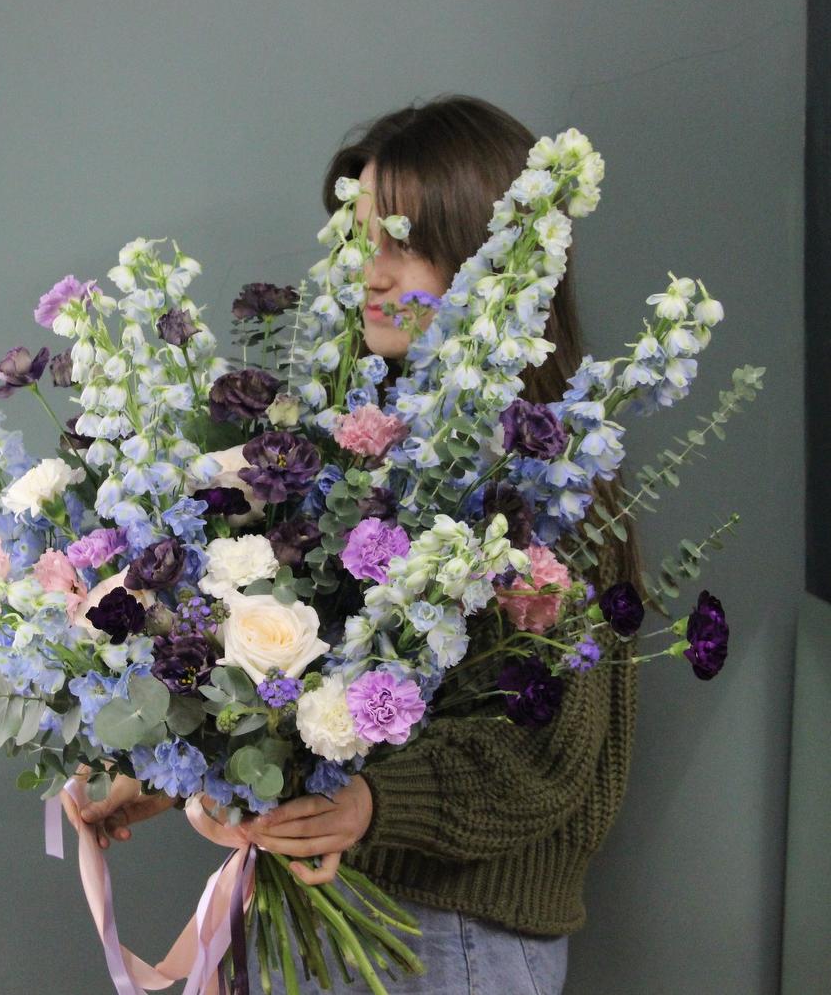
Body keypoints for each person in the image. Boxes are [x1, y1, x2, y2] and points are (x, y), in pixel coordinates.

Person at [69, 95, 641, 995]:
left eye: (405, 244)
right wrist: (173, 764)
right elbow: (305, 688)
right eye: (361, 240)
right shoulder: (345, 455)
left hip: (451, 944)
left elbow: (553, 761)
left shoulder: (550, 482)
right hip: (303, 913)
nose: (372, 275)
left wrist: (374, 804)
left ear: (494, 259)